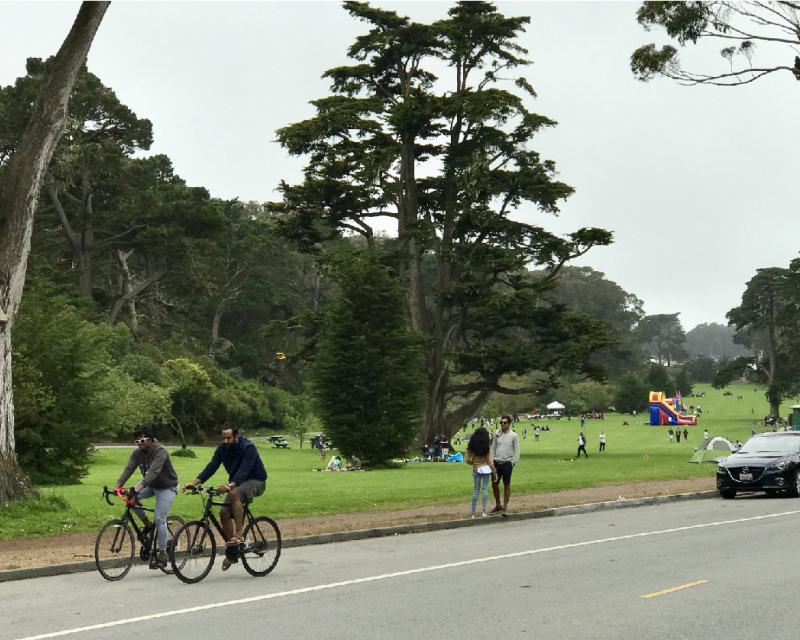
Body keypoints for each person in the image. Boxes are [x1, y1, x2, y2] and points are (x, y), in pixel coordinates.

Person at [184, 425, 267, 571]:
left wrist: (230, 485)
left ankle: (239, 534)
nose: (226, 441)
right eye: (223, 438)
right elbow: (212, 466)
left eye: (229, 438)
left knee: (234, 493)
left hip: (256, 480)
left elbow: (244, 470)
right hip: (237, 483)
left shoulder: (248, 447)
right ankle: (233, 551)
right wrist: (195, 482)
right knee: (223, 513)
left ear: (236, 436)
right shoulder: (222, 448)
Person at [114, 427, 178, 569]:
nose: (139, 443)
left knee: (160, 518)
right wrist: (118, 485)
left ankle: (162, 553)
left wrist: (139, 487)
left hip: (167, 487)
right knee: (131, 498)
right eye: (137, 441)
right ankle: (148, 525)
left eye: (142, 440)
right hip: (151, 485)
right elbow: (129, 469)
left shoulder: (160, 451)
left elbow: (154, 472)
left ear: (150, 439)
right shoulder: (137, 453)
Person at [491, 415, 520, 513]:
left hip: (507, 463)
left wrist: (513, 462)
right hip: (496, 463)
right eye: (501, 422)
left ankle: (505, 506)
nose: (503, 424)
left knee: (506, 485)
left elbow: (517, 450)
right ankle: (498, 504)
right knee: (494, 484)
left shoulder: (513, 435)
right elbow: (493, 448)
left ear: (509, 423)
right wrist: (491, 461)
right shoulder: (497, 434)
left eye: (505, 423)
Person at [465, 427, 495, 518]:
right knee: (485, 489)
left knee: (476, 490)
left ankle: (473, 513)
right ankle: (484, 511)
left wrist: (474, 463)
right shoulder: (486, 447)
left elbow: (467, 460)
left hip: (476, 468)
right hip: (486, 468)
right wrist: (494, 471)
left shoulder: (471, 446)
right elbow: (489, 461)